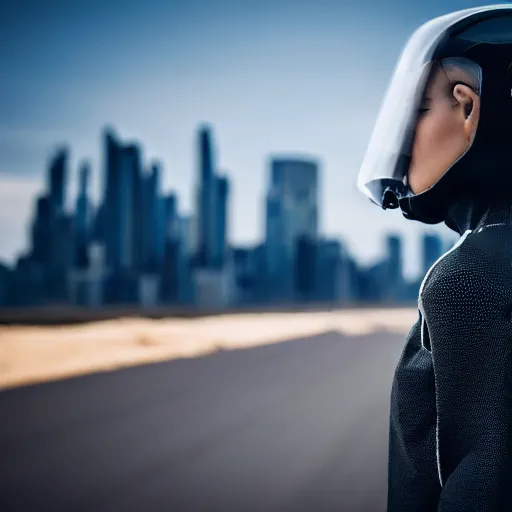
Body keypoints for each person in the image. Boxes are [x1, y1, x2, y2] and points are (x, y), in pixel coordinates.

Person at [357, 5, 512, 511]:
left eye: (419, 109)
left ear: (468, 108)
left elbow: (481, 488)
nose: (402, 139)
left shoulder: (473, 276)